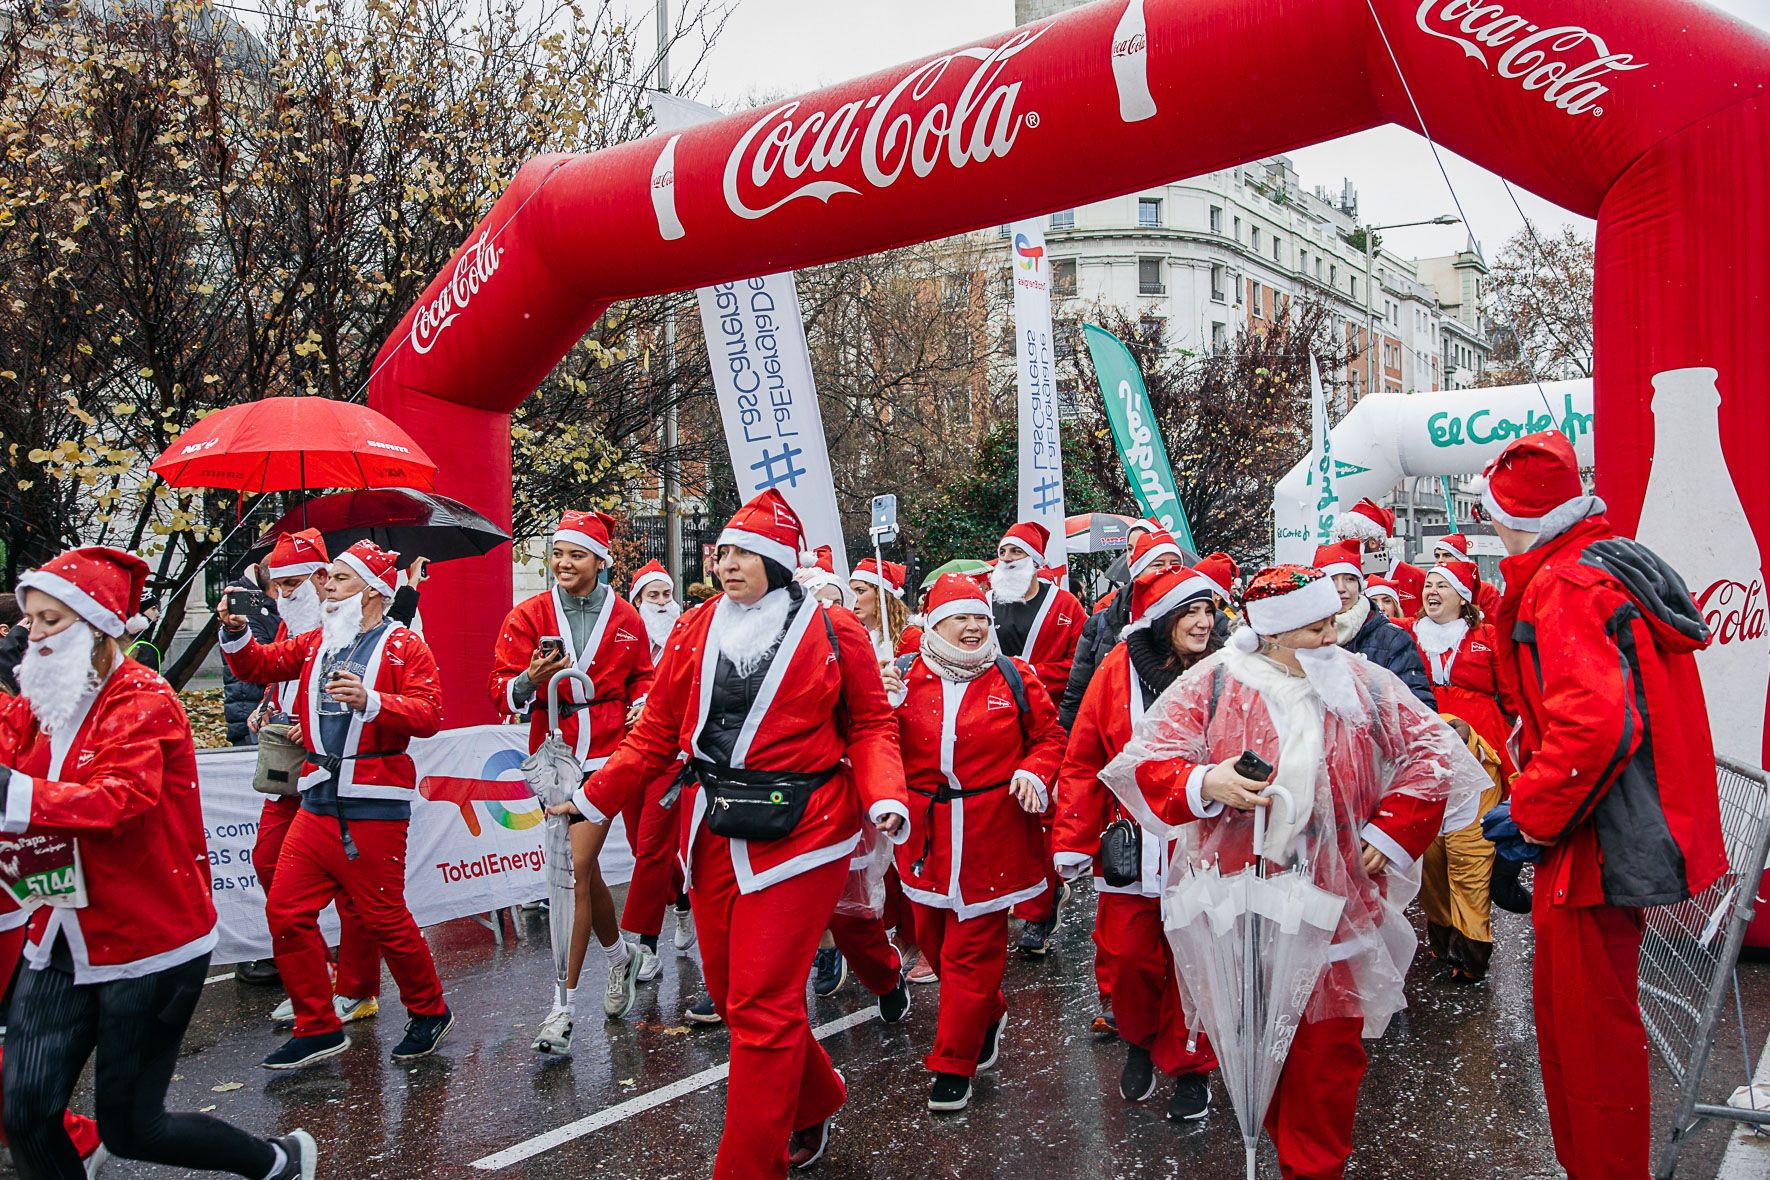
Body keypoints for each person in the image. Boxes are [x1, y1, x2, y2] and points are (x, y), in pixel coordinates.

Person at [550, 490, 909, 1178]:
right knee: (731, 987)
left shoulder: (836, 628)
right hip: (713, 829)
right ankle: (815, 1097)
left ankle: (748, 1164)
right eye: (724, 552)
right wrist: (593, 797)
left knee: (761, 1005)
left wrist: (886, 795)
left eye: (746, 552)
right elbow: (655, 731)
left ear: (778, 561)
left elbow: (868, 725)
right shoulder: (694, 627)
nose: (729, 563)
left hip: (807, 829)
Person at [1101, 565, 1481, 1180]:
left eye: (1332, 623)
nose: (1331, 638)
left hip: (1337, 900)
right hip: (1238, 897)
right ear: (1273, 633)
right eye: (1314, 628)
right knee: (1258, 1048)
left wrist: (1391, 829)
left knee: (1328, 1052)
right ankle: (1282, 1148)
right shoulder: (1215, 680)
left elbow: (1433, 754)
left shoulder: (1363, 682)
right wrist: (1205, 782)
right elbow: (1150, 760)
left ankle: (1314, 1166)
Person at [1, 546, 316, 1179]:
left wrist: (11, 793)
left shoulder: (144, 698)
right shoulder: (43, 692)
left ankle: (278, 1161)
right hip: (60, 928)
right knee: (27, 1111)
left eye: (49, 621)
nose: (31, 635)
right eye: (28, 620)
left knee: (131, 1126)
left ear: (97, 626)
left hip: (149, 941)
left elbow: (120, 798)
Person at [1480, 430, 1724, 1179]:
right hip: (1600, 831)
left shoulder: (1564, 584)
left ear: (1515, 513)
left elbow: (1593, 724)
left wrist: (1530, 812)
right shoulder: (1586, 566)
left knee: (1588, 1044)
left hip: (1594, 843)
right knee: (1583, 1033)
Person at [219, 539, 451, 1071]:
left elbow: (430, 713)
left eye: (339, 579)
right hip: (317, 797)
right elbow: (260, 665)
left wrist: (373, 702)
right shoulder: (318, 642)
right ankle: (317, 1025)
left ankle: (429, 1009)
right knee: (285, 910)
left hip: (373, 801)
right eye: (327, 578)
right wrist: (236, 635)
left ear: (372, 591)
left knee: (383, 917)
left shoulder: (402, 645)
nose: (326, 586)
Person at [880, 574, 1065, 1113]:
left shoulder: (1014, 676)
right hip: (925, 832)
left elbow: (1050, 738)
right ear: (935, 624)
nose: (974, 626)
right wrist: (881, 707)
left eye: (981, 617)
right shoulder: (906, 677)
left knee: (972, 949)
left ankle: (952, 1063)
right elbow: (877, 742)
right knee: (935, 944)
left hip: (993, 829)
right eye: (960, 617)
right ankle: (988, 1010)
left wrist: (1035, 771)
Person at [1056, 565, 1224, 1122]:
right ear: (1163, 617)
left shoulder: (1228, 670)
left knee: (1196, 960)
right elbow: (1084, 757)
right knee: (1129, 958)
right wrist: (1074, 837)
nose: (1203, 623)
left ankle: (1191, 1067)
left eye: (1208, 611)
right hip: (1131, 845)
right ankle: (1138, 1036)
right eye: (1190, 612)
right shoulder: (1116, 669)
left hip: (1205, 840)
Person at [487, 511, 655, 1054]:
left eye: (575, 554)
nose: (562, 563)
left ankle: (561, 1008)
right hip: (554, 755)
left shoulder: (627, 616)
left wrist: (642, 703)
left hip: (609, 755)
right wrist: (527, 682)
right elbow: (497, 692)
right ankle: (618, 956)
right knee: (581, 872)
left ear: (601, 561)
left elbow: (645, 677)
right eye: (557, 553)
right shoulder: (528, 614)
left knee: (570, 869)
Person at [239, 529, 381, 1006]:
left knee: (353, 889)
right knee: (267, 862)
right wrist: (266, 706)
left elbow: (379, 695)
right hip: (288, 771)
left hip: (340, 774)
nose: (282, 597)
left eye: (292, 585)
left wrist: (313, 721)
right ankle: (321, 973)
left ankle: (357, 989)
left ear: (322, 578)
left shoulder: (357, 626)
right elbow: (275, 669)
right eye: (276, 587)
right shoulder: (292, 626)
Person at [1411, 560, 1514, 983]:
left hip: (1480, 758)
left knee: (1470, 852)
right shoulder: (1406, 635)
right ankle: (1441, 935)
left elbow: (1512, 694)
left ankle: (1472, 949)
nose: (1431, 591)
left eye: (1442, 585)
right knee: (1430, 854)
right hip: (1424, 760)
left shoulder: (1485, 638)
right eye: (1427, 584)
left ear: (1462, 596)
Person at [990, 521, 1086, 956]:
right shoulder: (986, 605)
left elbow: (1079, 663)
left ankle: (1039, 910)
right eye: (1003, 551)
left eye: (1016, 553)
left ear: (1036, 563)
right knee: (1004, 813)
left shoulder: (1065, 606)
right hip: (997, 722)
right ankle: (1023, 893)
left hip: (1048, 720)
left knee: (1042, 812)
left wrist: (1024, 676)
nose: (1007, 559)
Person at [626, 558, 696, 957]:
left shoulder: (686, 640)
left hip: (671, 751)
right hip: (630, 748)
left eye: (667, 595)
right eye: (653, 595)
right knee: (642, 847)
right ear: (638, 600)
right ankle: (682, 900)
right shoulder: (625, 640)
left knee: (652, 844)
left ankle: (645, 945)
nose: (662, 602)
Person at [1057, 526, 1185, 730]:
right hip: (1112, 741)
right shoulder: (1102, 622)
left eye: (1175, 564)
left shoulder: (1203, 622)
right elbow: (1078, 693)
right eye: (1158, 564)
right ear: (1138, 571)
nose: (1167, 570)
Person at [1315, 540, 1435, 709]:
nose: (1341, 588)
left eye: (1349, 579)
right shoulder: (1304, 639)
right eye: (1332, 579)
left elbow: (1419, 708)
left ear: (1360, 586)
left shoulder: (1393, 639)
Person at [849, 556, 915, 660]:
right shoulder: (854, 639)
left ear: (883, 596)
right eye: (851, 592)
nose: (853, 599)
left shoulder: (910, 638)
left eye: (860, 591)